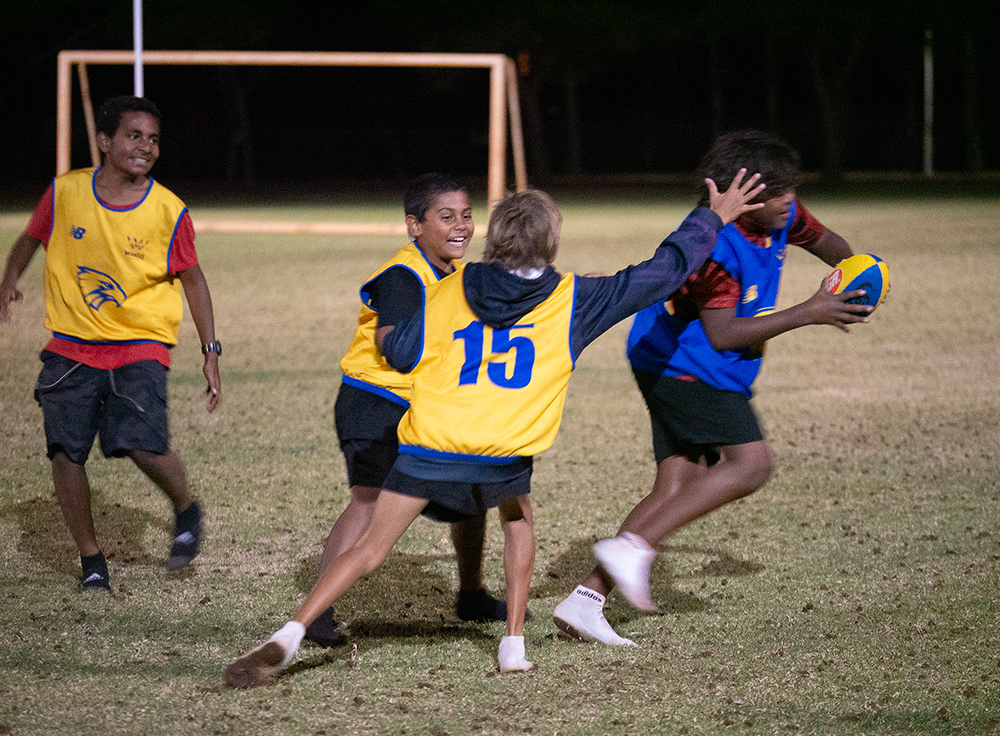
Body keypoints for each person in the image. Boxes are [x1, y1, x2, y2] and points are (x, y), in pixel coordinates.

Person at [223, 169, 766, 688]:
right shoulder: (573, 298)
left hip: (432, 441)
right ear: (551, 242)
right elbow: (662, 273)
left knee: (369, 550)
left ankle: (292, 630)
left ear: (495, 237)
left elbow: (404, 352)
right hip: (502, 449)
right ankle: (513, 646)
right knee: (517, 518)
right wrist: (709, 219)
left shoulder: (449, 288)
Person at [553, 129, 875, 646]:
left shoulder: (781, 213)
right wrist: (810, 311)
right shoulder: (715, 246)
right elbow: (723, 334)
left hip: (691, 362)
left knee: (675, 486)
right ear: (741, 194)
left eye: (792, 188)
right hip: (680, 366)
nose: (789, 200)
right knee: (751, 465)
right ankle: (632, 547)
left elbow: (827, 241)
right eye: (778, 192)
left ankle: (585, 602)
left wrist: (857, 273)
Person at [0, 95, 221, 592]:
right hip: (71, 346)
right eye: (134, 135)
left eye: (154, 139)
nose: (146, 147)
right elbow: (29, 239)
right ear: (104, 141)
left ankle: (186, 506)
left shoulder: (168, 210)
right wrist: (9, 277)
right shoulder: (65, 193)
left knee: (140, 443)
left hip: (139, 343)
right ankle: (92, 560)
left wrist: (210, 351)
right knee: (65, 452)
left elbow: (194, 279)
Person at [305, 172, 512, 649]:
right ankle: (316, 612)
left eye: (465, 215)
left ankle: (472, 594)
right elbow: (392, 343)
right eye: (445, 217)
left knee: (472, 488)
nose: (460, 225)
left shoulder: (456, 274)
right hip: (375, 403)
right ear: (413, 226)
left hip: (419, 408)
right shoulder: (404, 274)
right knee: (370, 501)